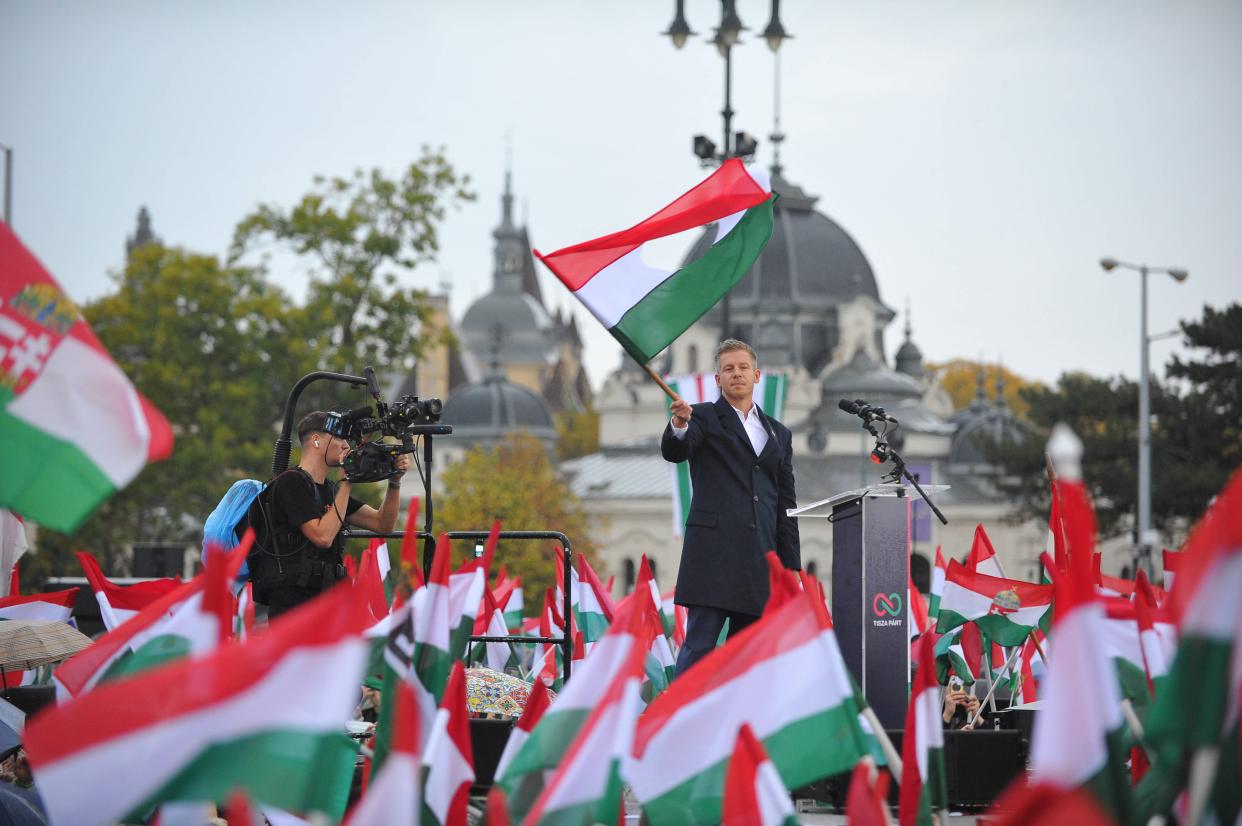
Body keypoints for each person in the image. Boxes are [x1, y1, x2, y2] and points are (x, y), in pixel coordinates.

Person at [662, 339, 800, 675]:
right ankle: (681, 719)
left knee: (749, 657)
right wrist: (680, 425)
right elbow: (675, 451)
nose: (735, 374)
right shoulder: (704, 418)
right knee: (699, 648)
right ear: (718, 379)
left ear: (756, 376)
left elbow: (785, 502)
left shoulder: (778, 433)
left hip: (759, 561)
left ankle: (740, 723)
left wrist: (790, 566)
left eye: (742, 368)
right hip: (713, 556)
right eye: (728, 369)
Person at [249, 410, 410, 619]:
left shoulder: (329, 490)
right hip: (294, 603)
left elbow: (383, 524)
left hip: (327, 598)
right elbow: (322, 536)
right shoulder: (291, 483)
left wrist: (395, 481)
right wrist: (347, 482)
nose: (346, 445)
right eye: (340, 437)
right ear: (316, 440)